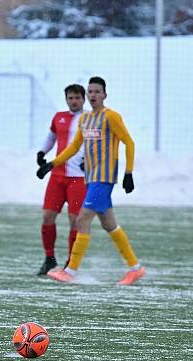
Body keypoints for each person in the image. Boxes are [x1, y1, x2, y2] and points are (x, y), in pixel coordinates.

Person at [37, 76, 146, 285]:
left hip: (104, 178)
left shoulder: (111, 116)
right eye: (91, 92)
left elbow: (129, 142)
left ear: (105, 94)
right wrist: (52, 164)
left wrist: (129, 172)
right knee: (109, 224)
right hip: (91, 177)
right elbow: (74, 147)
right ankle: (135, 268)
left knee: (82, 219)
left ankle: (70, 271)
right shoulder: (85, 120)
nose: (93, 95)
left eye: (97, 91)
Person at [35, 84, 87, 275]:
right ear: (66, 99)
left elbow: (98, 144)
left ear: (84, 99)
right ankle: (49, 259)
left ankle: (70, 264)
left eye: (77, 98)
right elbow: (50, 138)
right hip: (57, 177)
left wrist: (90, 161)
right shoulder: (59, 117)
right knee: (48, 216)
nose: (74, 101)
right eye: (70, 98)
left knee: (75, 221)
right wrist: (42, 152)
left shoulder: (90, 119)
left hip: (78, 179)